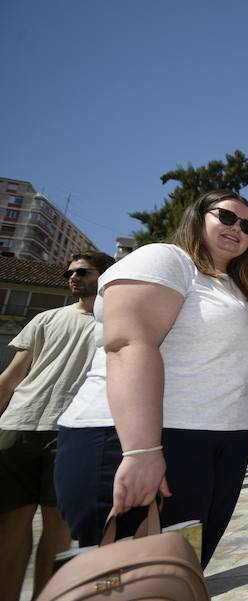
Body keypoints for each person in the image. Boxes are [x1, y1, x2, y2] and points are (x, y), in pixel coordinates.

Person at [54, 190, 248, 568]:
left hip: (219, 443)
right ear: (198, 217)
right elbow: (127, 343)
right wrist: (141, 451)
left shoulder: (234, 289)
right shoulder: (166, 259)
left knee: (178, 575)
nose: (237, 228)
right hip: (143, 437)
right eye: (225, 217)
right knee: (125, 579)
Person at [0, 251, 114, 600]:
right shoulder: (46, 318)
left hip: (71, 433)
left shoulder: (115, 323)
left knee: (58, 529)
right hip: (18, 425)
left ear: (105, 275)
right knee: (9, 526)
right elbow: (11, 378)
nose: (73, 277)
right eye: (70, 272)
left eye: (83, 271)